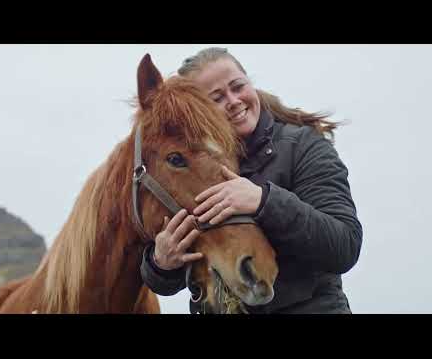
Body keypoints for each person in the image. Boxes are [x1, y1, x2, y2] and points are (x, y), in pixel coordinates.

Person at [140, 47, 363, 314]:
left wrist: (264, 201)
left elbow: (344, 245)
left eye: (238, 86)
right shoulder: (194, 166)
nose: (233, 101)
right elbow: (172, 275)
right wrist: (160, 263)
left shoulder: (303, 146)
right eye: (217, 98)